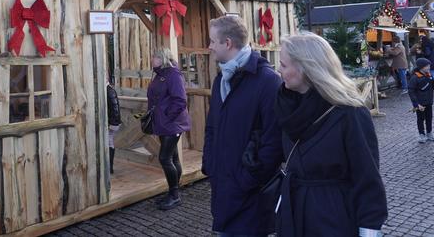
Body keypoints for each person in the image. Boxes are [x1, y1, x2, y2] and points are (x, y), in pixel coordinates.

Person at [274, 33, 387, 237]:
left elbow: (367, 178)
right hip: (293, 215)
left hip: (333, 219)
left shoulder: (349, 113)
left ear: (305, 69)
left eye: (283, 65)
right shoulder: (286, 106)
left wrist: (369, 231)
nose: (278, 70)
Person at [203, 15, 282, 236]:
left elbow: (273, 143)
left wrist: (247, 180)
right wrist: (210, 167)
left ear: (227, 43)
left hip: (251, 201)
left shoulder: (268, 82)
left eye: (212, 41)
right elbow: (211, 128)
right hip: (223, 193)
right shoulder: (220, 80)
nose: (209, 47)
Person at [147, 48, 191, 210]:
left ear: (162, 58)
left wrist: (167, 116)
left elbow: (180, 100)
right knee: (173, 158)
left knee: (165, 158)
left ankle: (175, 196)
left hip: (172, 124)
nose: (152, 59)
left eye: (154, 57)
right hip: (163, 123)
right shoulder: (160, 74)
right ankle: (173, 191)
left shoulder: (173, 74)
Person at [408, 58, 434, 143]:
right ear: (421, 67)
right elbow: (411, 91)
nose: (429, 67)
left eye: (429, 65)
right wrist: (416, 104)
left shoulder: (428, 75)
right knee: (420, 119)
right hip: (420, 103)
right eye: (427, 66)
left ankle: (429, 133)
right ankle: (421, 134)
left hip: (429, 102)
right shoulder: (415, 77)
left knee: (429, 118)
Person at [106, 81, 121, 175]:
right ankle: (109, 167)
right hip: (112, 122)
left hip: (112, 123)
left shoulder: (109, 91)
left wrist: (112, 123)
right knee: (109, 142)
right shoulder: (108, 90)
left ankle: (109, 167)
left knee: (109, 143)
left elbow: (115, 108)